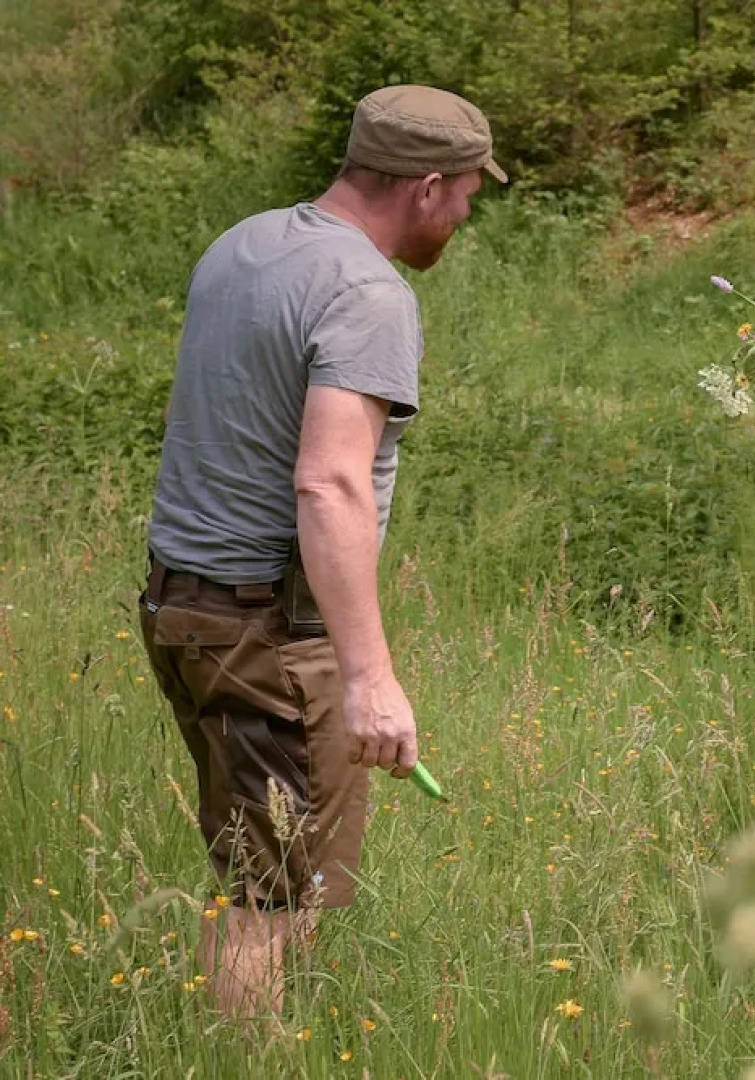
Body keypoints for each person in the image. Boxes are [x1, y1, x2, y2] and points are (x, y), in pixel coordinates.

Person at [139, 85, 503, 1018]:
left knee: (262, 875)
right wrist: (370, 676)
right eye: (466, 191)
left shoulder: (244, 245)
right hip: (269, 631)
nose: (466, 211)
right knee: (273, 897)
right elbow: (328, 481)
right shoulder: (366, 290)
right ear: (425, 187)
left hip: (183, 606)